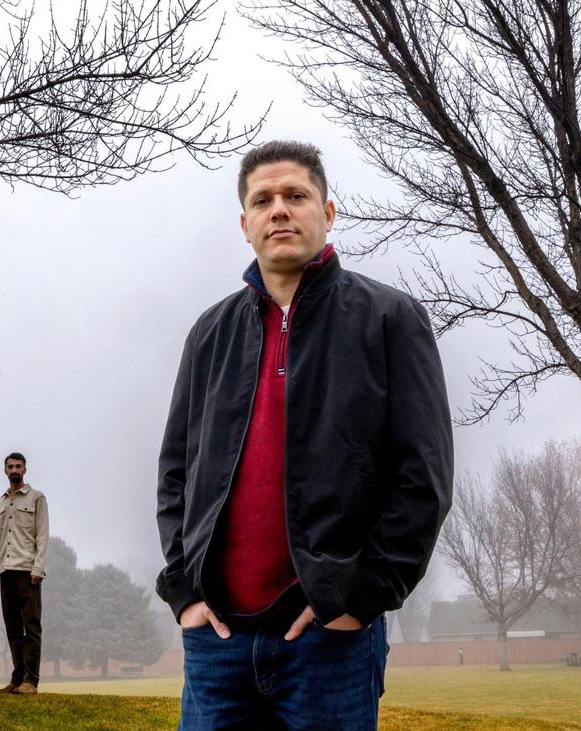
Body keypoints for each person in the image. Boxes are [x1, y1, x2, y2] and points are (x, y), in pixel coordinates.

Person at [156, 140, 453, 730]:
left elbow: (424, 476)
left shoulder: (389, 319)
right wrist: (184, 592)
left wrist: (360, 596)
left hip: (329, 643)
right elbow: (176, 476)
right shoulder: (210, 333)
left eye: (296, 195)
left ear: (328, 211)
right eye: (263, 200)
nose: (280, 210)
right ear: (245, 224)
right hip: (218, 642)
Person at [0, 452, 49, 695]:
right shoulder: (0, 503)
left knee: (31, 626)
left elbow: (42, 535)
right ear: (5, 471)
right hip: (6, 572)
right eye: (10, 466)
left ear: (25, 469)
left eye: (18, 466)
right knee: (12, 628)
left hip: (27, 572)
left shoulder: (36, 498)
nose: (14, 470)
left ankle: (31, 681)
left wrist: (38, 567)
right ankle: (17, 678)